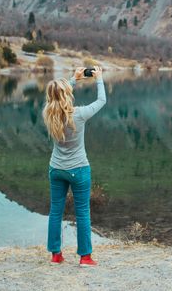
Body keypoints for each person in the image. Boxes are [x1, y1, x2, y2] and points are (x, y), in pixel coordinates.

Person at [42, 66, 106, 267]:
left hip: (56, 169)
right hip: (78, 169)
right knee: (82, 212)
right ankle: (85, 257)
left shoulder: (48, 113)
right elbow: (102, 101)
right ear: (67, 94)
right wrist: (99, 79)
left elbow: (57, 97)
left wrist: (73, 79)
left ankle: (55, 255)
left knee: (55, 212)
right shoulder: (79, 114)